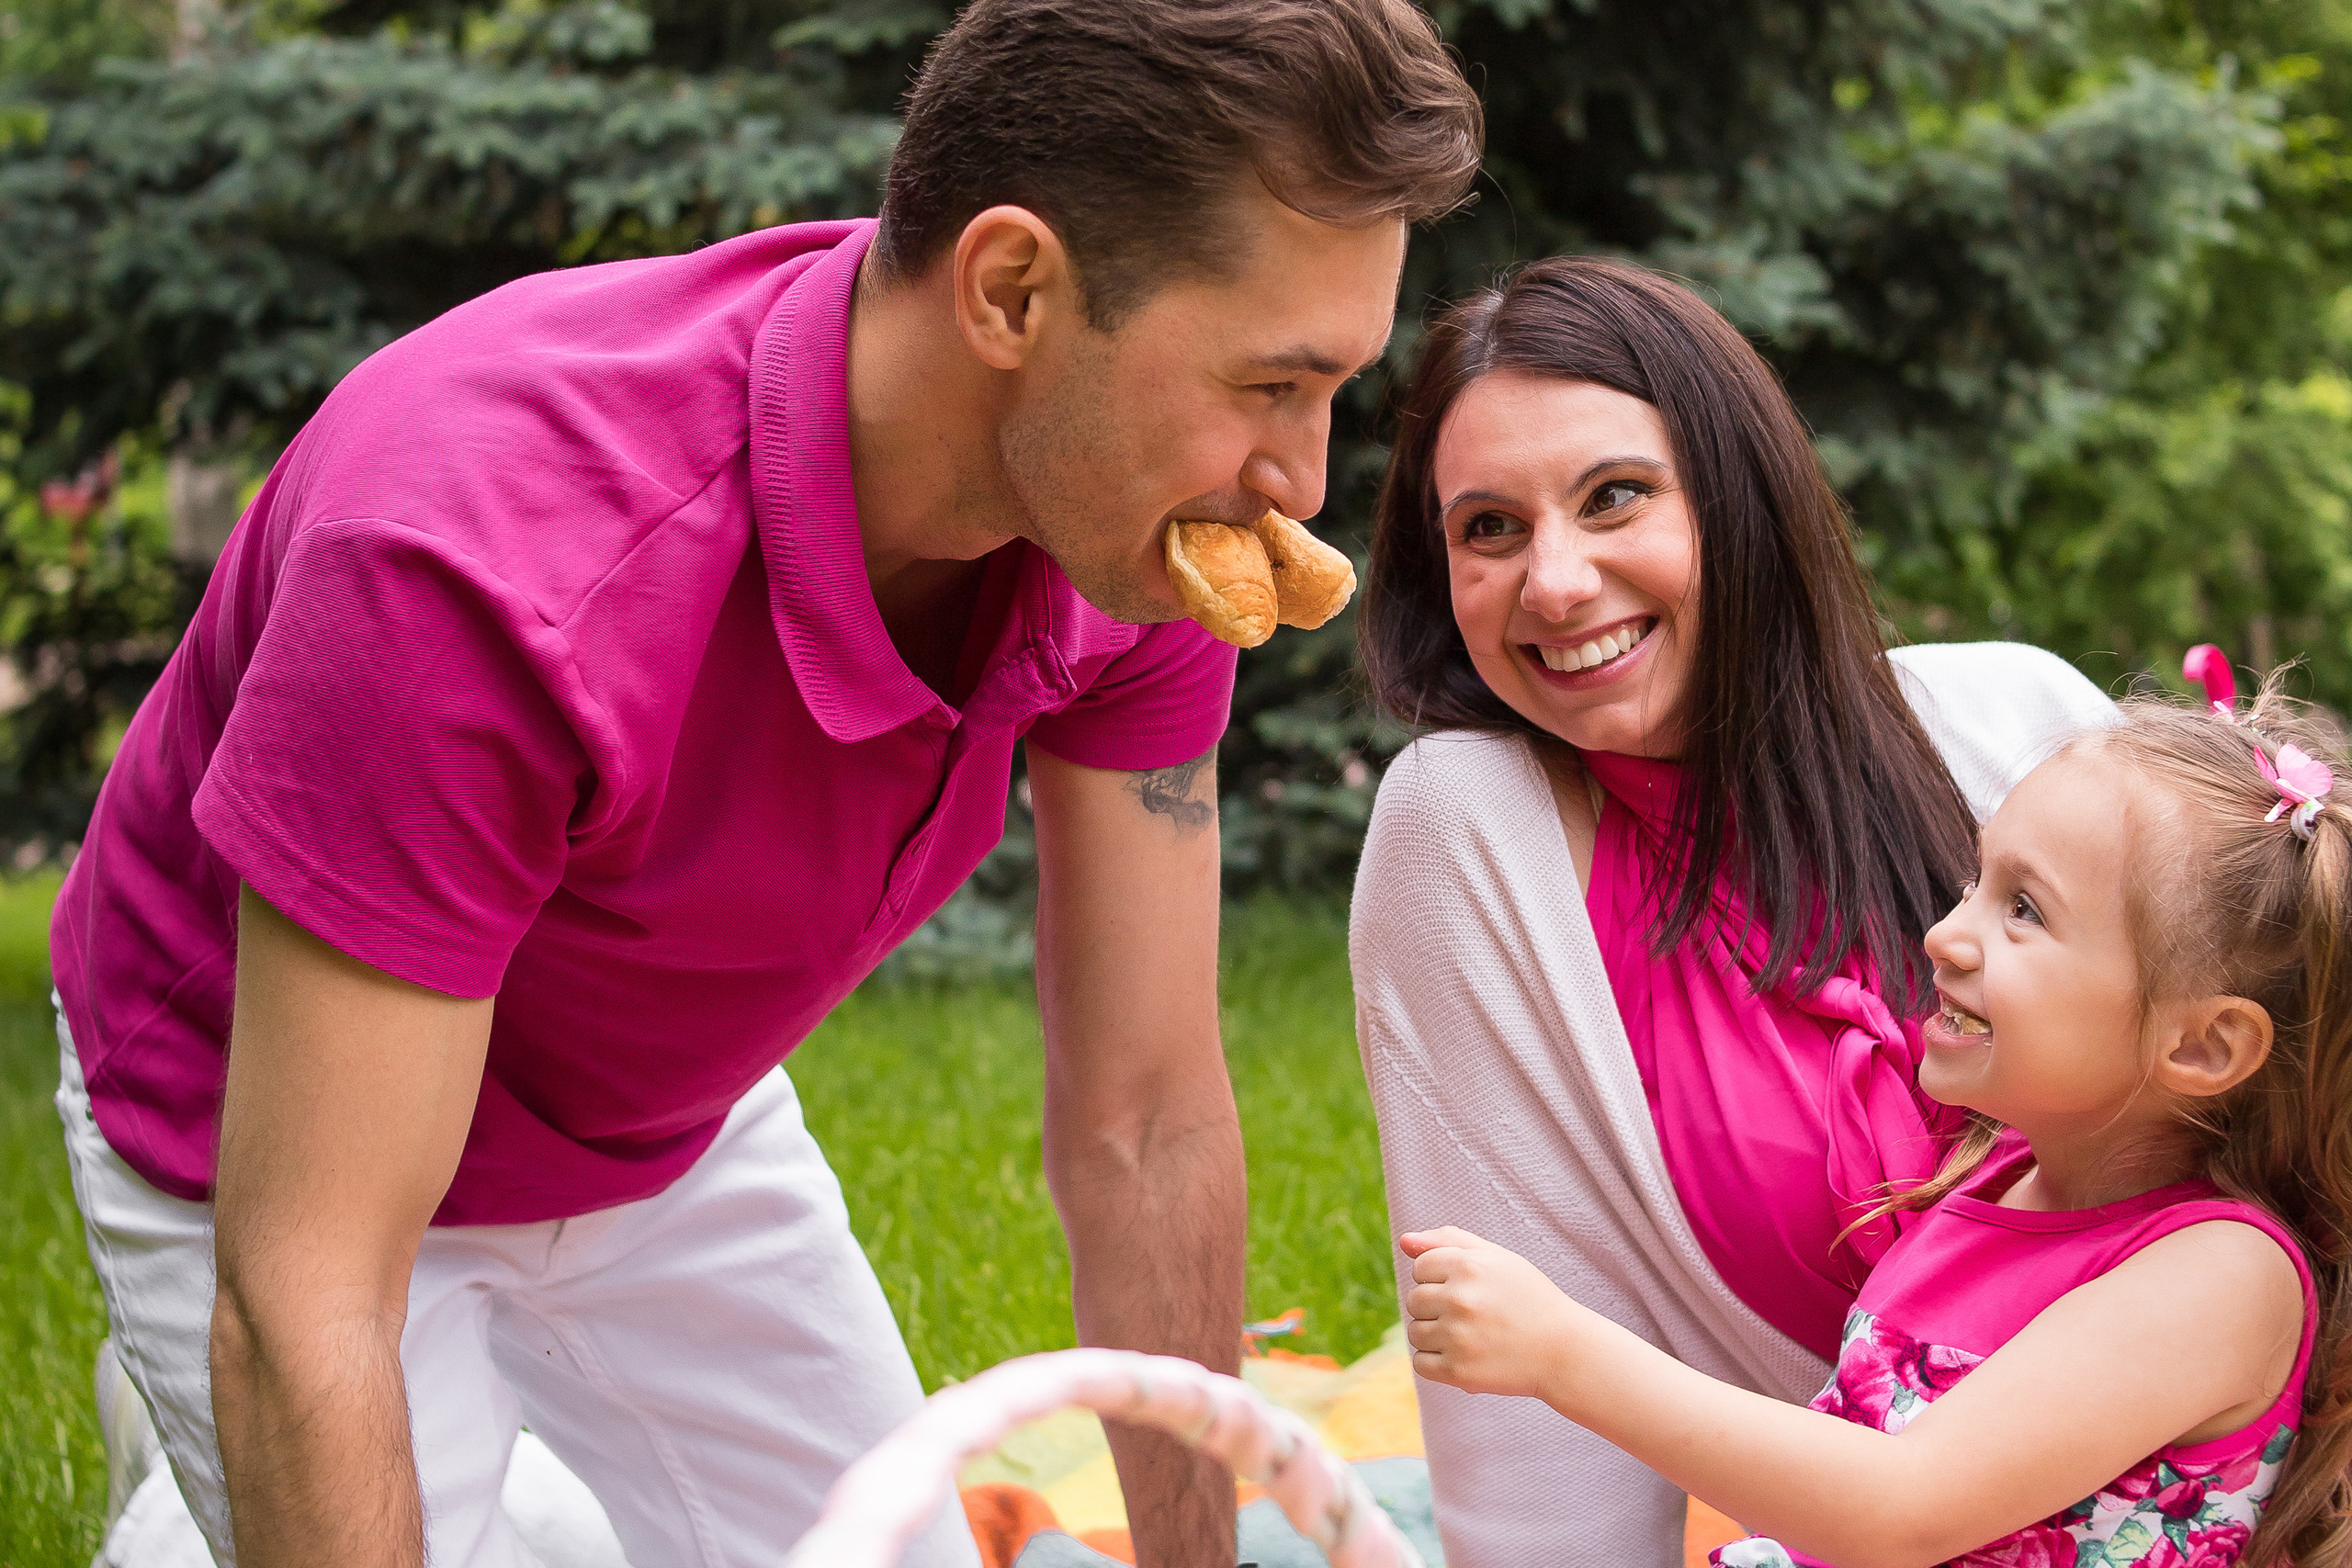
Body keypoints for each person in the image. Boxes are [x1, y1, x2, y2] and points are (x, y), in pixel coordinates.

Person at [47, 5, 1482, 1566]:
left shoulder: (1129, 541)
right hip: (270, 1145)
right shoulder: (478, 568)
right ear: (1012, 291)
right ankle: (183, 1510)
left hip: (665, 1128)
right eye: (1272, 385)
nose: (1303, 482)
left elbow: (1145, 1117)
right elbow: (311, 1284)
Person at [1347, 256, 2117, 1565]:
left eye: (1616, 496)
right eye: (1487, 528)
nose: (1554, 582)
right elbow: (1535, 1413)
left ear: (1741, 494)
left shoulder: (2021, 724)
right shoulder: (1468, 833)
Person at [1401, 682, 2347, 1567]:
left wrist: (1564, 1355)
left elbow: (1898, 1505)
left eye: (2022, 910)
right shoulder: (1993, 1180)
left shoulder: (2221, 1274)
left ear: (2204, 1046)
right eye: (1976, 881)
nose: (1945, 933)